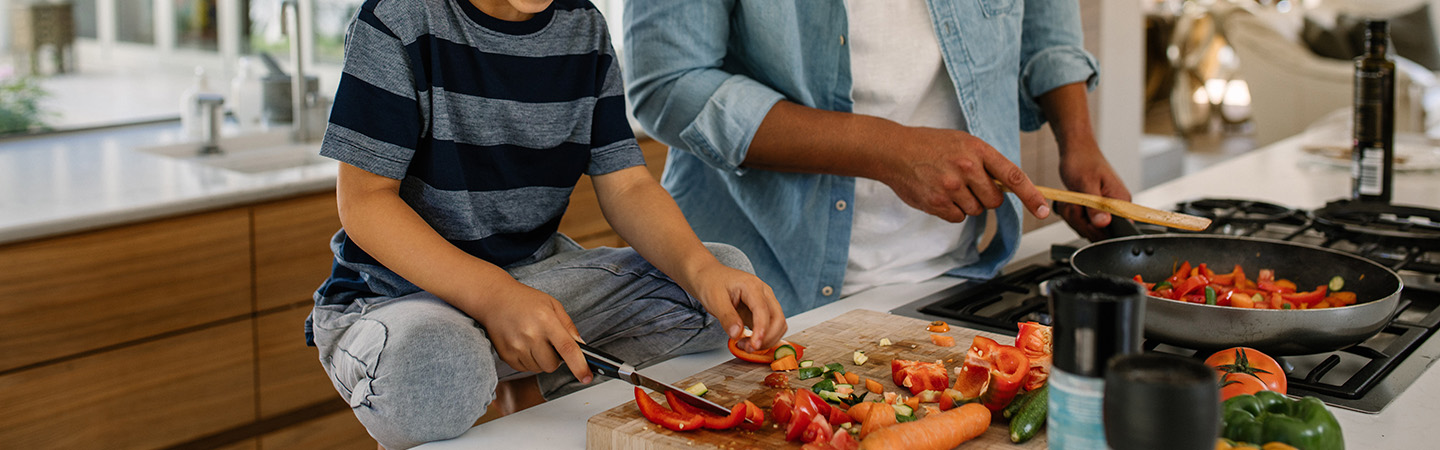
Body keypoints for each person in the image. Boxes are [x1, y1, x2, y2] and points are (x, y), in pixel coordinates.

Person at [305, 0, 786, 448]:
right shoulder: (398, 18)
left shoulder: (587, 29)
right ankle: (498, 372)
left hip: (533, 284)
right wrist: (493, 296)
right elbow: (365, 203)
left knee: (719, 282)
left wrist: (700, 269)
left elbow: (627, 187)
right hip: (398, 298)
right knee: (436, 370)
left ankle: (526, 373)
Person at [623, 0, 1132, 314]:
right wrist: (888, 149)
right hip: (756, 287)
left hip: (957, 278)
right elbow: (666, 85)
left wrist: (1078, 142)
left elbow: (1048, 23)